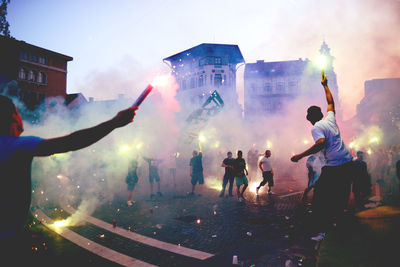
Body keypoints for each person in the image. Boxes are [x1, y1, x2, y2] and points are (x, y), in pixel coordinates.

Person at [0, 95, 137, 255]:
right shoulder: (16, 145)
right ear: (13, 117)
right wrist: (114, 122)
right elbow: (71, 142)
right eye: (18, 113)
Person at [290, 74, 353, 242]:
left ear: (311, 118)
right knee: (340, 196)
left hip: (335, 165)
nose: (308, 120)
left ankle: (323, 232)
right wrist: (325, 85)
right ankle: (339, 228)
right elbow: (331, 102)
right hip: (348, 162)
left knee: (320, 199)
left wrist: (300, 155)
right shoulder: (330, 119)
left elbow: (321, 143)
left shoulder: (317, 127)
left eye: (308, 117)